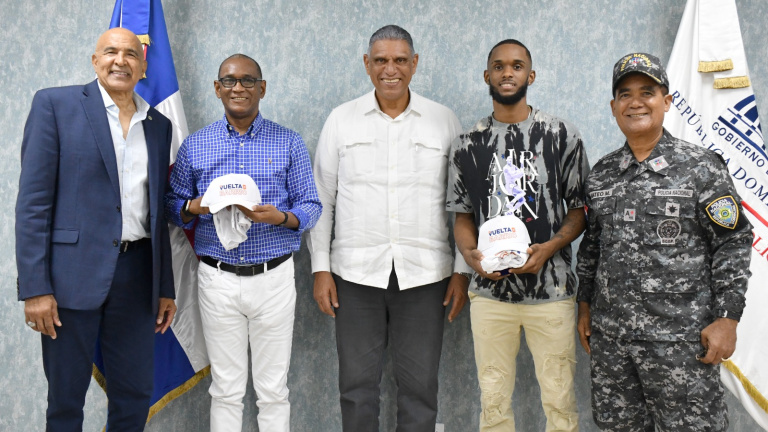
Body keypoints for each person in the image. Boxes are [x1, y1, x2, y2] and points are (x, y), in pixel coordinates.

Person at [308, 24, 472, 432]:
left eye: (400, 60)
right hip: (354, 275)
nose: (390, 69)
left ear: (414, 64)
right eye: (380, 60)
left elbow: (463, 203)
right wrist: (320, 268)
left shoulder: (443, 120)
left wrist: (461, 271)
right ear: (367, 64)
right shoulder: (341, 120)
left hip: (426, 276)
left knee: (420, 389)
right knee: (357, 387)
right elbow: (321, 198)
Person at [576, 53, 752, 431]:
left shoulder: (701, 167)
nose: (635, 102)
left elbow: (733, 241)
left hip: (680, 344)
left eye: (647, 92)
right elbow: (593, 246)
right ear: (613, 106)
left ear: (667, 101)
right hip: (613, 345)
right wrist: (585, 304)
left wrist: (727, 318)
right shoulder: (602, 174)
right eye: (625, 94)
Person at [16, 28, 176, 431]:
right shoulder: (56, 105)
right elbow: (33, 205)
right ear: (95, 60)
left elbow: (156, 213)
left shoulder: (158, 125)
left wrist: (165, 286)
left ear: (142, 66)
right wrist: (35, 287)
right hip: (69, 278)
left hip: (138, 278)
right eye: (110, 52)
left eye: (130, 54)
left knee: (135, 395)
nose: (120, 60)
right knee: (66, 400)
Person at [165, 53, 321, 432]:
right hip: (217, 280)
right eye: (230, 80)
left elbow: (311, 205)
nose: (239, 87)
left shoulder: (289, 142)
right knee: (226, 390)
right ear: (217, 89)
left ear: (261, 88)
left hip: (274, 278)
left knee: (273, 390)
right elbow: (171, 206)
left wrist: (281, 217)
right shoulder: (195, 145)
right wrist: (194, 206)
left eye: (248, 80)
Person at [447, 39, 589, 431]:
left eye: (516, 65)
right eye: (498, 66)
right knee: (493, 402)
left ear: (531, 74)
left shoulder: (562, 135)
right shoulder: (466, 144)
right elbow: (461, 217)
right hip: (491, 295)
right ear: (487, 75)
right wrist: (472, 255)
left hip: (553, 292)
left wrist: (552, 247)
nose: (507, 72)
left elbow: (579, 212)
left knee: (560, 401)